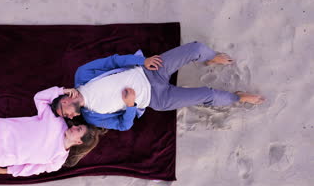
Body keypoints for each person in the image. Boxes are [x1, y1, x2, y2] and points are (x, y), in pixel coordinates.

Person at [51, 42, 265, 131]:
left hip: (149, 70)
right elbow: (124, 126)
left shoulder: (82, 75)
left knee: (197, 48)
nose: (69, 117)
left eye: (64, 112)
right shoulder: (91, 116)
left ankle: (212, 58)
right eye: (66, 117)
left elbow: (113, 62)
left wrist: (141, 62)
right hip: (157, 98)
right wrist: (130, 105)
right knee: (205, 95)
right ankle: (238, 98)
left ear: (65, 99)